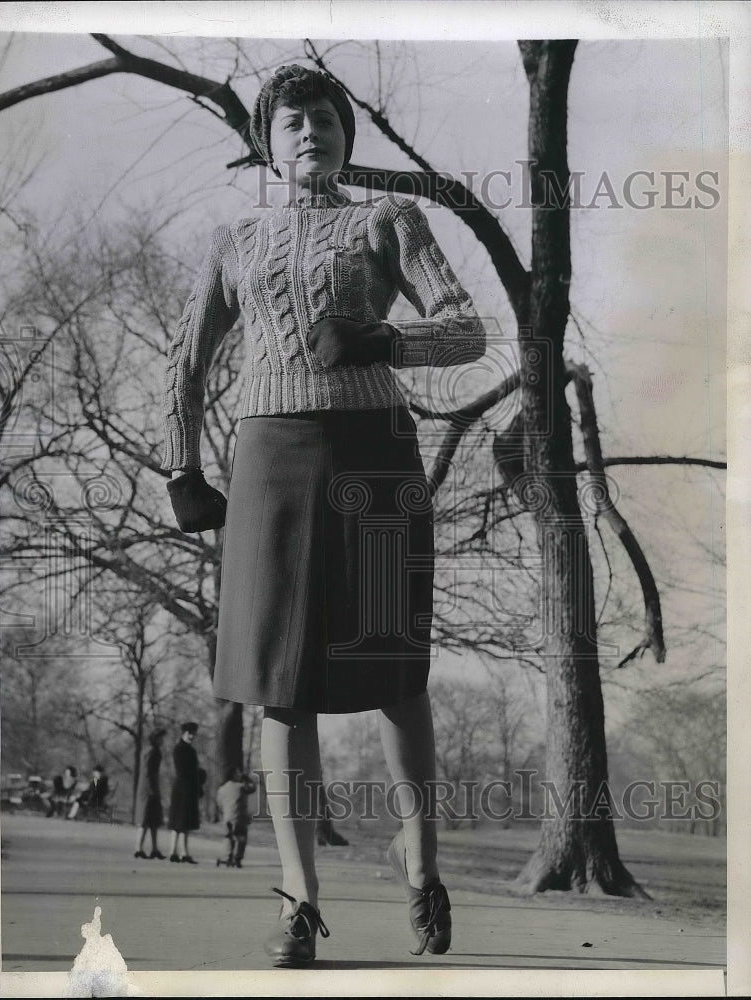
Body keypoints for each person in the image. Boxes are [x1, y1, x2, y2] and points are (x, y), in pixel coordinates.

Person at [162, 64, 486, 966]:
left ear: (347, 135)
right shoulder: (233, 238)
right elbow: (186, 367)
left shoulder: (387, 220)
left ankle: (422, 866)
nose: (312, 134)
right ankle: (300, 901)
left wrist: (386, 338)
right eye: (294, 123)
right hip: (269, 459)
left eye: (327, 121)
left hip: (376, 451)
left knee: (393, 673)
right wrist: (179, 467)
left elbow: (466, 328)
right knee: (278, 682)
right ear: (267, 141)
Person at [167, 722, 202, 863]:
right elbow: (182, 771)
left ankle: (183, 852)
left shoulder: (190, 750)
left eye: (193, 733)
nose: (192, 736)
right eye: (189, 733)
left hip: (189, 789)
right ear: (183, 733)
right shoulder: (179, 749)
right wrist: (196, 777)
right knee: (178, 823)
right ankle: (173, 852)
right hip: (182, 790)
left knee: (185, 823)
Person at [134, 728, 167, 859]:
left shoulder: (149, 750)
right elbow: (149, 772)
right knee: (146, 819)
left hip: (147, 788)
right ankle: (138, 848)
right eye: (161, 738)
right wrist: (153, 790)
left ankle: (154, 848)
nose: (163, 740)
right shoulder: (153, 752)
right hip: (149, 790)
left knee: (153, 820)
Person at [216, 767, 257, 868]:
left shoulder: (222, 789)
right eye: (238, 774)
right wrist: (247, 778)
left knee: (228, 837)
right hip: (239, 818)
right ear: (233, 775)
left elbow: (219, 804)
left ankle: (227, 857)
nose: (239, 775)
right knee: (241, 837)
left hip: (227, 817)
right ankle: (237, 858)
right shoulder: (241, 787)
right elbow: (253, 788)